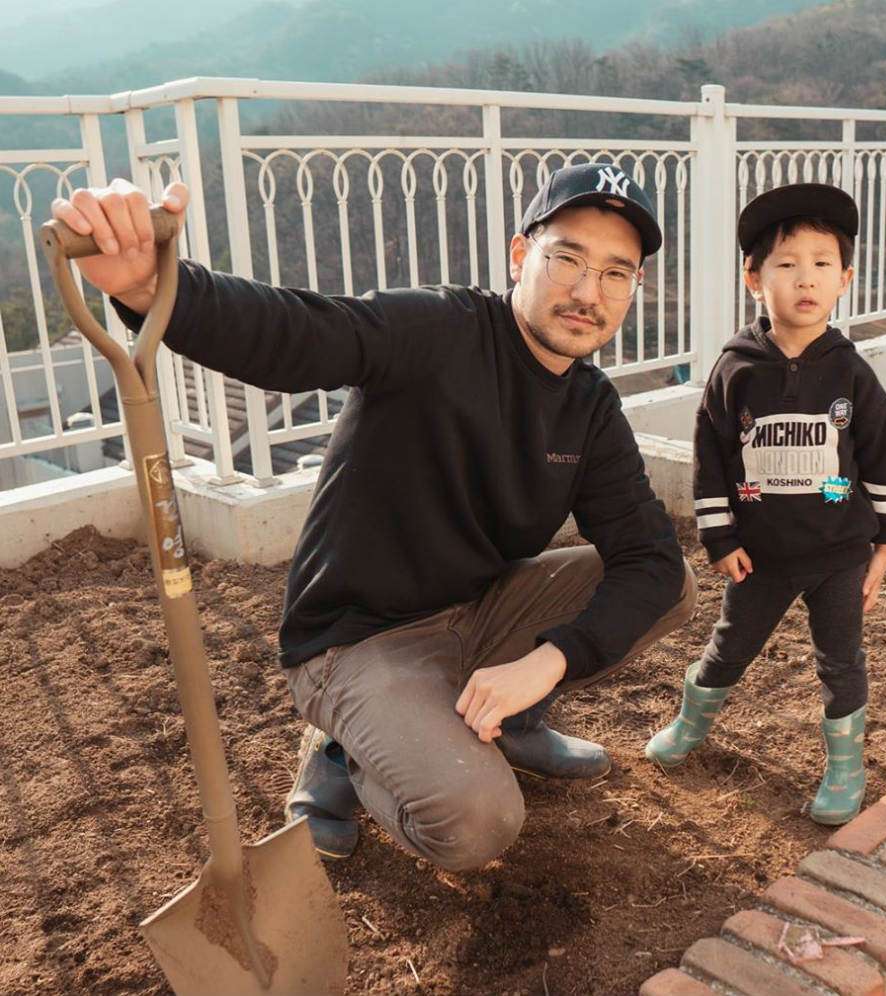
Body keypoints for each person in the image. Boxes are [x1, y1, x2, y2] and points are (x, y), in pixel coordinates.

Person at [53, 162, 697, 870]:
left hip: (475, 611)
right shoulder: (437, 331)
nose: (586, 292)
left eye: (615, 273)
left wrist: (549, 661)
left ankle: (503, 716)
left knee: (664, 585)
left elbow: (652, 562)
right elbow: (295, 333)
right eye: (567, 258)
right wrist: (152, 286)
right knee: (477, 823)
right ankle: (347, 748)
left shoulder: (590, 407)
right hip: (358, 638)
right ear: (521, 256)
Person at [645, 183, 886, 826]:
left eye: (821, 264)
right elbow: (711, 460)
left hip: (840, 554)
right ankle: (691, 721)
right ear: (754, 278)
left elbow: (881, 457)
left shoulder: (852, 374)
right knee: (731, 645)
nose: (805, 279)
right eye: (786, 265)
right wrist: (721, 538)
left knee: (841, 659)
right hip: (760, 557)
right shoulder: (736, 371)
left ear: (844, 278)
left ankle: (846, 767)